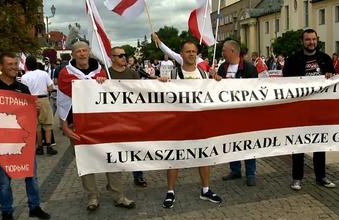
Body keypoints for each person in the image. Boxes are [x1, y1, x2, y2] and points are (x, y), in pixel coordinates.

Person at [57, 41, 136, 211]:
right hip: (78, 124)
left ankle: (118, 194)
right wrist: (64, 126)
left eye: (85, 50)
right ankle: (92, 195)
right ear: (73, 54)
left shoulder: (101, 71)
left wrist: (103, 81)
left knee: (112, 157)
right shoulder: (65, 74)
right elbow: (63, 102)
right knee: (85, 160)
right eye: (78, 51)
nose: (82, 54)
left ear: (89, 52)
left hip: (102, 122)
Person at [0, 52, 50, 220]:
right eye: (10, 64)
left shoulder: (23, 88)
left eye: (15, 64)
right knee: (4, 181)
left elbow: (31, 117)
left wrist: (34, 109)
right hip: (2, 142)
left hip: (22, 141)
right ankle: (6, 212)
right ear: (1, 67)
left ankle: (34, 207)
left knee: (31, 176)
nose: (14, 67)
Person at [158, 40, 222, 208]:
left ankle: (206, 189)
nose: (191, 54)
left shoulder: (203, 73)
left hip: (199, 122)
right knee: (175, 157)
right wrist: (161, 83)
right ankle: (170, 191)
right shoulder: (173, 74)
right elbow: (161, 96)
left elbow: (213, 94)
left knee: (204, 155)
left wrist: (217, 80)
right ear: (181, 54)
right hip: (178, 122)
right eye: (188, 51)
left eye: (194, 51)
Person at [282, 28, 337, 191]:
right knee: (298, 144)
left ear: (317, 40)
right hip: (299, 109)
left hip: (320, 109)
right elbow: (285, 84)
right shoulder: (292, 60)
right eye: (308, 39)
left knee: (319, 144)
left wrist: (330, 76)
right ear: (302, 41)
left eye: (313, 39)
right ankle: (297, 178)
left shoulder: (325, 59)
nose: (311, 42)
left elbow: (334, 81)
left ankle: (321, 176)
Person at [213, 40, 258, 186]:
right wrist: (215, 80)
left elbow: (254, 91)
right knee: (232, 142)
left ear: (233, 51)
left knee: (248, 142)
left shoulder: (249, 68)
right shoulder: (222, 68)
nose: (222, 53)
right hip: (229, 113)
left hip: (246, 114)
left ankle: (251, 173)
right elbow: (216, 90)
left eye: (224, 50)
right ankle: (235, 170)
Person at [108, 46, 147, 188]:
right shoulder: (107, 73)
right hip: (114, 118)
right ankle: (113, 182)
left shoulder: (133, 74)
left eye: (125, 55)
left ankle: (138, 176)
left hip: (132, 118)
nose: (124, 57)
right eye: (120, 56)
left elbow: (142, 92)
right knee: (115, 149)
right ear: (112, 58)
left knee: (135, 148)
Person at [21, 56, 58, 155]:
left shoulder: (24, 77)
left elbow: (24, 91)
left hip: (31, 101)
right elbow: (50, 87)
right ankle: (49, 146)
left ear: (27, 65)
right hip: (43, 99)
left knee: (37, 126)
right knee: (47, 124)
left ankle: (39, 147)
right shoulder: (44, 74)